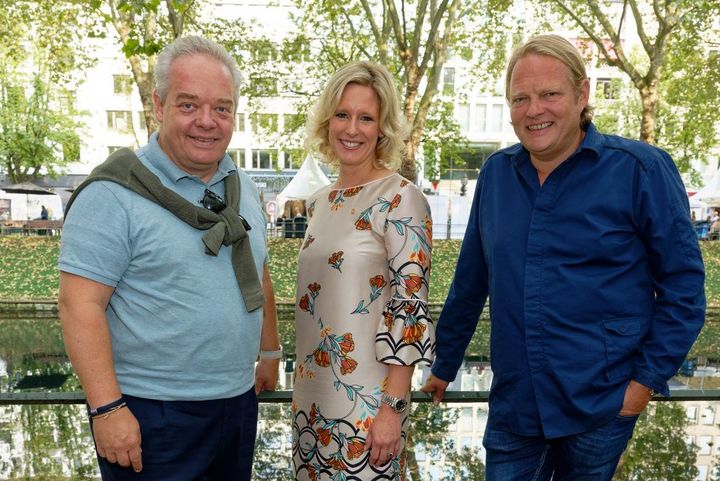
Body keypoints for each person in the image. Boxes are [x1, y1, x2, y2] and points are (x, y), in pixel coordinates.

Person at [422, 34, 705, 480]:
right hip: (515, 405)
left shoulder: (640, 170)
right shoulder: (497, 174)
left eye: (549, 94)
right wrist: (444, 363)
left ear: (582, 93)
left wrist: (642, 385)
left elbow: (684, 289)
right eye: (520, 98)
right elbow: (471, 280)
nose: (534, 110)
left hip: (601, 405)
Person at [58, 36, 280, 481]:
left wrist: (270, 350)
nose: (207, 122)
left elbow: (258, 272)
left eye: (222, 108)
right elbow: (78, 304)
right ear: (158, 106)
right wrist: (107, 408)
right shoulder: (112, 193)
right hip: (150, 414)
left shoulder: (243, 186)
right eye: (188, 105)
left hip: (235, 404)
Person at [292, 61, 435, 480]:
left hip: (369, 415)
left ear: (382, 127)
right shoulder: (319, 201)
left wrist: (393, 410)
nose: (351, 128)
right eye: (342, 114)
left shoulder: (401, 198)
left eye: (365, 117)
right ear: (327, 121)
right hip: (309, 408)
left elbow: (410, 310)